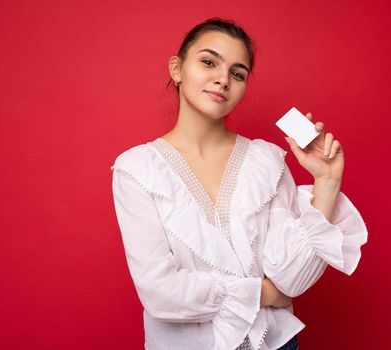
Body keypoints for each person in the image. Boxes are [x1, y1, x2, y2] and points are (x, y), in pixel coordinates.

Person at [110, 17, 368, 350]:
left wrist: (327, 182)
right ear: (177, 69)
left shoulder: (267, 161)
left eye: (237, 73)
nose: (222, 80)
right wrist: (262, 293)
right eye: (208, 62)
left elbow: (291, 281)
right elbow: (160, 293)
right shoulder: (137, 169)